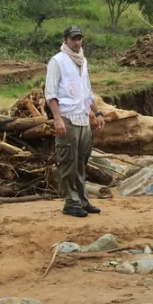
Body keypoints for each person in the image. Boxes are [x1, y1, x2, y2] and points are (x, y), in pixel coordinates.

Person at [45, 25, 105, 218]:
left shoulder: (83, 61)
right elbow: (51, 93)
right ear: (65, 40)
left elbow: (87, 91)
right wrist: (57, 119)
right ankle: (71, 202)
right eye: (73, 39)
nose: (77, 42)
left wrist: (98, 113)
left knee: (81, 161)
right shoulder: (57, 61)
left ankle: (82, 200)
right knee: (68, 161)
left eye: (79, 38)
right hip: (67, 118)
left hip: (82, 118)